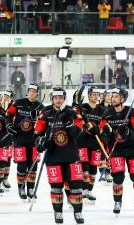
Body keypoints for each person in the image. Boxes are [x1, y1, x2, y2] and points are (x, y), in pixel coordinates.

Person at [34, 87, 85, 224]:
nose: (58, 100)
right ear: (52, 99)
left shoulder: (73, 113)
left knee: (76, 186)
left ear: (64, 98)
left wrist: (70, 125)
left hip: (72, 156)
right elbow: (37, 134)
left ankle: (78, 212)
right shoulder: (45, 113)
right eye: (55, 98)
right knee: (56, 187)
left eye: (60, 97)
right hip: (53, 157)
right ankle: (58, 213)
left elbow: (79, 134)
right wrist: (41, 143)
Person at [99, 88, 134, 216]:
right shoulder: (107, 115)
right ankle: (117, 202)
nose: (112, 99)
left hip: (132, 150)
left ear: (122, 99)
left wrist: (127, 133)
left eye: (115, 96)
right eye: (112, 96)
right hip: (116, 151)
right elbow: (102, 135)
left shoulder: (132, 112)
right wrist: (106, 134)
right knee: (118, 177)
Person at [5, 83, 44, 201]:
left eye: (34, 91)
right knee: (22, 165)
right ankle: (21, 188)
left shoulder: (40, 107)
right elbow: (7, 115)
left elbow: (43, 123)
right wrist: (9, 125)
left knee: (33, 166)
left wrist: (35, 119)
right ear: (27, 91)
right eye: (30, 91)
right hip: (19, 138)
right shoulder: (18, 103)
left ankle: (31, 189)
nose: (32, 93)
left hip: (33, 140)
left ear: (37, 93)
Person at [73, 87, 106, 204]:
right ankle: (84, 189)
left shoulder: (102, 110)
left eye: (98, 94)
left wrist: (97, 129)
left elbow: (104, 125)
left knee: (93, 169)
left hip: (95, 142)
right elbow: (75, 118)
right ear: (89, 95)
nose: (96, 96)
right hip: (82, 142)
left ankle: (89, 190)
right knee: (84, 166)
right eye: (94, 94)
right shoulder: (82, 108)